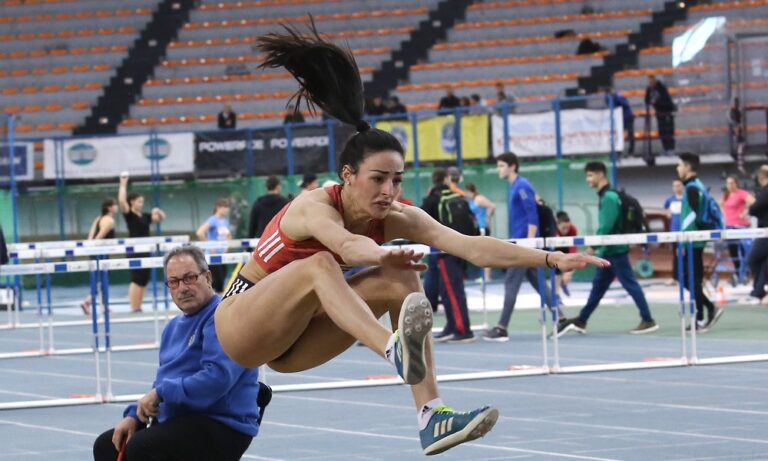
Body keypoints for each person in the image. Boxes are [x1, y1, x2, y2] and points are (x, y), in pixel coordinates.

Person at [214, 23, 608, 456]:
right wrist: (384, 253)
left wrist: (550, 258)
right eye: (378, 179)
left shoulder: (398, 215)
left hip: (297, 339)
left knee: (402, 279)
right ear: (348, 176)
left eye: (397, 180)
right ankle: (392, 349)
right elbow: (347, 248)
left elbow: (471, 246)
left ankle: (430, 416)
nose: (389, 191)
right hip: (241, 323)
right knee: (321, 265)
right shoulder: (315, 206)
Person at [92, 246, 262, 461]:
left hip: (221, 422)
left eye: (189, 278)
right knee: (109, 446)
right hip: (182, 419)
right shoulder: (172, 328)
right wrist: (135, 415)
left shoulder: (224, 317)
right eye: (174, 282)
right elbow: (163, 382)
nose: (182, 288)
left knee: (143, 447)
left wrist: (161, 393)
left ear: (208, 277)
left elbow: (217, 380)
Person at [557, 161, 658, 337]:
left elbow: (606, 228)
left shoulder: (609, 198)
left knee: (630, 285)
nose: (588, 179)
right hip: (609, 252)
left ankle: (648, 320)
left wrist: (590, 249)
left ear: (600, 174)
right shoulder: (608, 196)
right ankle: (582, 320)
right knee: (598, 288)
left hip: (615, 251)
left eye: (590, 175)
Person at [484, 152, 555, 342]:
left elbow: (532, 214)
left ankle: (501, 327)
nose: (499, 169)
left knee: (511, 283)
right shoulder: (515, 186)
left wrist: (529, 244)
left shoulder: (522, 185)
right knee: (538, 282)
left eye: (501, 165)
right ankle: (561, 318)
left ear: (512, 166)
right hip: (520, 242)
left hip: (524, 244)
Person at [422, 169, 474, 344]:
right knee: (447, 290)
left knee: (452, 291)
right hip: (459, 247)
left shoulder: (431, 199)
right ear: (446, 179)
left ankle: (463, 329)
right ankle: (452, 326)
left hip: (444, 250)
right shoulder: (455, 196)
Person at [677, 153, 723, 331]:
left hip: (693, 240)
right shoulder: (696, 186)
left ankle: (703, 316)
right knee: (689, 280)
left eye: (680, 165)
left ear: (688, 167)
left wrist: (692, 235)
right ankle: (706, 311)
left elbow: (696, 215)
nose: (678, 169)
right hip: (692, 239)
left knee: (692, 280)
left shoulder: (692, 188)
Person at [118, 173, 166, 313]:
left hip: (146, 249)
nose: (141, 203)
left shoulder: (145, 216)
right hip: (134, 249)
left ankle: (139, 306)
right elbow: (122, 201)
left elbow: (161, 218)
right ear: (132, 202)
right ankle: (134, 307)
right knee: (136, 278)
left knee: (144, 279)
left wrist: (158, 211)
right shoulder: (129, 215)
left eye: (142, 201)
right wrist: (123, 184)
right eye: (139, 201)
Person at [80, 198, 118, 315]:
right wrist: (95, 247)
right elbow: (100, 235)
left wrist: (89, 247)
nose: (116, 207)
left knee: (99, 279)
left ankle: (91, 302)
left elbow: (91, 236)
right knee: (103, 279)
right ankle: (99, 305)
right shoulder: (109, 220)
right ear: (109, 207)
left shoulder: (98, 218)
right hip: (101, 252)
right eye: (114, 205)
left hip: (96, 251)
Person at [720, 175, 755, 285]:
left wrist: (746, 212)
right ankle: (737, 272)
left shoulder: (741, 193)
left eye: (732, 183)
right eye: (728, 183)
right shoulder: (726, 195)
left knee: (746, 251)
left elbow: (754, 202)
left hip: (741, 226)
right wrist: (724, 216)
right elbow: (721, 205)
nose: (730, 185)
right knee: (733, 251)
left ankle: (747, 273)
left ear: (736, 183)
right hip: (729, 226)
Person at [196, 198, 232, 295]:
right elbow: (200, 232)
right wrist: (210, 246)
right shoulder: (213, 220)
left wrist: (227, 245)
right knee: (215, 283)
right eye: (225, 207)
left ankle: (219, 305)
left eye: (228, 207)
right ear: (218, 207)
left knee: (222, 282)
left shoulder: (225, 221)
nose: (227, 210)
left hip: (223, 256)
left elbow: (228, 235)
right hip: (213, 257)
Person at [748, 165, 768, 304]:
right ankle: (759, 291)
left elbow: (754, 208)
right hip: (763, 229)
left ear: (761, 178)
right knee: (765, 263)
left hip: (765, 231)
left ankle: (758, 290)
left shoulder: (766, 191)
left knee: (753, 259)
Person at [645, 75, 676, 156]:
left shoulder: (661, 88)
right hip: (659, 113)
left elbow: (666, 100)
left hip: (667, 112)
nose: (650, 83)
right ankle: (665, 149)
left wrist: (657, 102)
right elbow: (647, 100)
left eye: (652, 81)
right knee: (662, 132)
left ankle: (671, 149)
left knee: (668, 131)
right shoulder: (649, 89)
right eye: (649, 82)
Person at [554, 211, 578, 305]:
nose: (566, 230)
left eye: (567, 227)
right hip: (555, 247)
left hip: (567, 246)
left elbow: (573, 249)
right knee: (558, 271)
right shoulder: (553, 230)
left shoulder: (573, 229)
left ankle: (564, 282)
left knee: (575, 261)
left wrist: (569, 273)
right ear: (557, 224)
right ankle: (556, 295)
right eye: (563, 228)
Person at [604, 87, 635, 155]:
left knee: (630, 134)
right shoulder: (607, 98)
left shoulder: (619, 96)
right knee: (619, 135)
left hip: (627, 117)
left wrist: (617, 99)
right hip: (619, 119)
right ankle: (618, 153)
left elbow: (626, 104)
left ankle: (631, 151)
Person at [664, 179, 684, 284]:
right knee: (676, 255)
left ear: (682, 186)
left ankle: (687, 276)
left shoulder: (686, 199)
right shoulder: (670, 200)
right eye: (674, 186)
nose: (677, 188)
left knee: (687, 255)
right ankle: (676, 277)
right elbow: (666, 210)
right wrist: (668, 214)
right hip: (674, 232)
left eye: (679, 185)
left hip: (685, 232)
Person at [727, 98, 746, 174]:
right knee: (739, 146)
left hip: (736, 132)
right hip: (735, 133)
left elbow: (737, 121)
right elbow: (734, 122)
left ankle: (740, 164)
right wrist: (736, 129)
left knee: (740, 145)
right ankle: (740, 165)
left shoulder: (736, 111)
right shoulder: (732, 112)